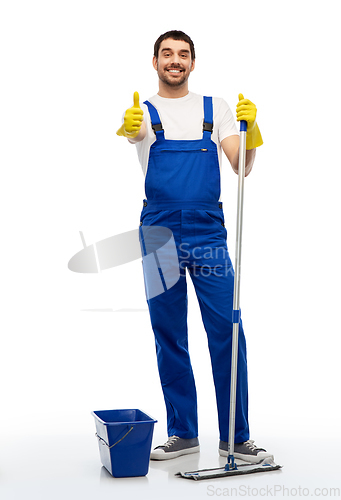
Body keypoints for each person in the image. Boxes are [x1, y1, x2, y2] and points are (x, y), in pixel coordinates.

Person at [117, 30, 273, 464]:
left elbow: (241, 165)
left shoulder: (216, 108)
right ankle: (182, 433)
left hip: (207, 234)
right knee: (170, 335)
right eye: (167, 53)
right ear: (155, 62)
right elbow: (135, 135)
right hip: (159, 234)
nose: (175, 60)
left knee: (227, 331)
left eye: (182, 54)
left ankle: (236, 438)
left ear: (191, 62)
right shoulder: (142, 112)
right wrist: (131, 130)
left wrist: (251, 130)